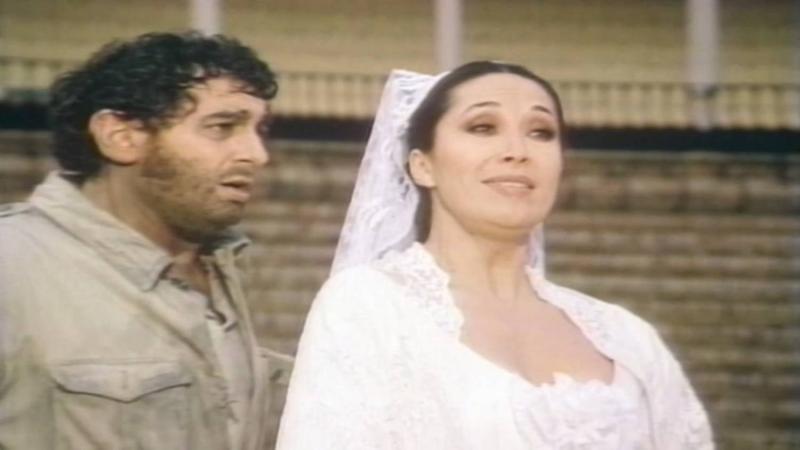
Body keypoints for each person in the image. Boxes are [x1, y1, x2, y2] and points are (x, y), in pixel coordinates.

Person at [276, 61, 714, 449]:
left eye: (540, 132)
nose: (517, 151)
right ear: (422, 165)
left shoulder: (628, 338)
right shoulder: (369, 306)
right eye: (483, 127)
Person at [0, 31, 292, 450]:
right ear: (120, 136)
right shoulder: (12, 266)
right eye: (222, 127)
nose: (257, 154)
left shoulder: (225, 267)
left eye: (259, 130)